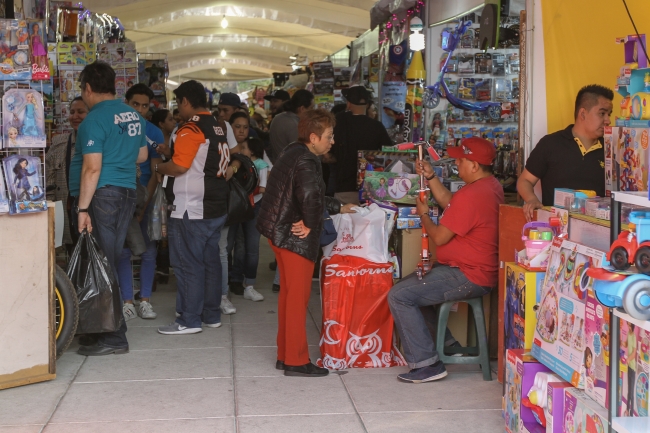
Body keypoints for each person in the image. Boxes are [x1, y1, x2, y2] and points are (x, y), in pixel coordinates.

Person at [387, 137, 504, 383]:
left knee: (399, 295)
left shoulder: (473, 194)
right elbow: (451, 205)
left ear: (474, 166)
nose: (456, 165)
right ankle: (449, 344)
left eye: (460, 160)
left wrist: (424, 215)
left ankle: (427, 364)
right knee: (414, 288)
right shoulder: (489, 186)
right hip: (473, 270)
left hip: (469, 274)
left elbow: (439, 237)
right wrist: (431, 177)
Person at [257, 109, 356, 377]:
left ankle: (284, 355)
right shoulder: (308, 160)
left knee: (289, 298)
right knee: (297, 300)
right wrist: (311, 224)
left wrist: (337, 206)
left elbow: (305, 194)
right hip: (294, 238)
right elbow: (311, 195)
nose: (332, 141)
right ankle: (297, 361)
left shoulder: (293, 152)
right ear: (313, 137)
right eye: (328, 136)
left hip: (279, 233)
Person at [68, 61, 148, 356]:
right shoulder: (133, 116)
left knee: (102, 263)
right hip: (125, 193)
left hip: (102, 196)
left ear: (87, 88)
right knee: (103, 261)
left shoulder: (95, 119)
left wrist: (82, 209)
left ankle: (115, 336)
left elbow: (92, 169)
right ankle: (96, 329)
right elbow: (140, 156)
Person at [156, 80, 233, 335]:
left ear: (186, 101)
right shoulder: (219, 126)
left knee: (188, 263)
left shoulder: (191, 128)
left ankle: (189, 319)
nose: (179, 109)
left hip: (192, 207)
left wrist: (159, 167)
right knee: (210, 262)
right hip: (216, 206)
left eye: (179, 103)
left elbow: (179, 167)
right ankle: (211, 314)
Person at [517, 84, 612, 221]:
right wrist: (531, 199)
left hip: (598, 233)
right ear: (583, 114)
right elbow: (524, 180)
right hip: (555, 230)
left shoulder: (611, 150)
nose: (608, 120)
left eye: (609, 114)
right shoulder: (550, 144)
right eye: (602, 113)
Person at [116, 83, 164, 321]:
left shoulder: (154, 132)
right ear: (127, 103)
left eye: (145, 106)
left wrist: (145, 203)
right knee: (123, 251)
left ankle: (144, 300)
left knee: (148, 249)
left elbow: (156, 171)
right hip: (121, 195)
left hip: (146, 195)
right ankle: (127, 301)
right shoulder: (117, 127)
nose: (140, 110)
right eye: (135, 104)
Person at [329, 85, 393, 204]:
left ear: (348, 104)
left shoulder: (338, 122)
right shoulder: (377, 126)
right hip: (370, 188)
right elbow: (390, 154)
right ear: (368, 105)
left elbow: (328, 155)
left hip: (344, 189)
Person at [227, 136, 267, 302]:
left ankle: (249, 284)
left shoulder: (261, 166)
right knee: (232, 244)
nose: (240, 150)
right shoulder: (237, 164)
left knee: (252, 246)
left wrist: (245, 193)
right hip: (237, 207)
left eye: (244, 148)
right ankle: (230, 279)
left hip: (253, 207)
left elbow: (263, 188)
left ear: (251, 150)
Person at [46, 96, 89, 250]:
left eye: (80, 112)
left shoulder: (103, 143)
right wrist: (52, 214)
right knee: (72, 255)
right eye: (72, 112)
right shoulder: (59, 144)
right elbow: (48, 182)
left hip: (94, 213)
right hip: (65, 212)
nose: (75, 116)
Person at [269, 89, 314, 163]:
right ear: (302, 109)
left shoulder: (278, 118)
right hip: (289, 170)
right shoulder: (294, 124)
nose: (312, 112)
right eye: (311, 108)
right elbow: (301, 153)